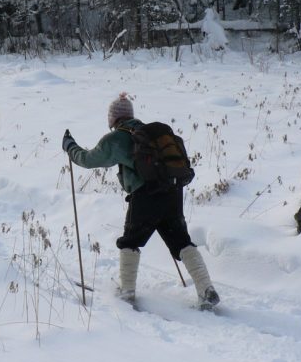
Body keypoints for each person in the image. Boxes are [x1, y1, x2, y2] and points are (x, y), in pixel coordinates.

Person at [62, 92, 220, 309]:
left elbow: (88, 160)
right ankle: (206, 289)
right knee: (181, 241)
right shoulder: (149, 132)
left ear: (113, 119)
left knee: (130, 242)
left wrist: (70, 147)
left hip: (146, 195)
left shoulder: (117, 138)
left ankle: (126, 293)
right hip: (173, 191)